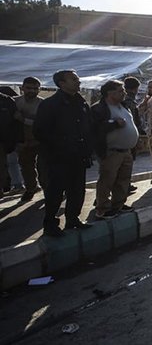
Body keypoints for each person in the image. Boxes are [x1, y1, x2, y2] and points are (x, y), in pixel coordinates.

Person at [35, 70, 93, 236]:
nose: (78, 82)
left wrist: (88, 149)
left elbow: (88, 128)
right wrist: (61, 145)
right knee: (55, 192)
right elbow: (40, 132)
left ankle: (73, 219)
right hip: (58, 157)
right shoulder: (50, 104)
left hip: (79, 156)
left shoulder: (81, 103)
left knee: (77, 190)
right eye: (74, 79)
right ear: (62, 83)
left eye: (78, 79)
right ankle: (51, 225)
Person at [91, 80, 139, 219]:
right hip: (111, 152)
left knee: (123, 180)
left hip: (126, 151)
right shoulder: (99, 109)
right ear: (109, 93)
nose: (124, 93)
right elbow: (95, 129)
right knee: (107, 180)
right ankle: (102, 208)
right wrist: (113, 124)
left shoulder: (123, 106)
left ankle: (118, 204)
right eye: (120, 91)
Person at [13, 77, 47, 202]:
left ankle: (47, 189)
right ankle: (31, 188)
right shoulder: (14, 102)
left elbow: (42, 124)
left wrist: (23, 119)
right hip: (23, 141)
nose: (32, 91)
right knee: (26, 167)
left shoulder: (43, 104)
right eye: (29, 88)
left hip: (40, 140)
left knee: (44, 167)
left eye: (35, 88)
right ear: (22, 88)